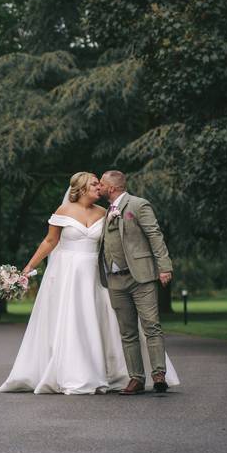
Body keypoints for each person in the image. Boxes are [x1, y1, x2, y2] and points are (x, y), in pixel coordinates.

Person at [0, 171, 178, 394]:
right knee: (74, 321)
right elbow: (49, 241)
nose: (99, 187)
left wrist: (146, 266)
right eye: (94, 184)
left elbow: (122, 241)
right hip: (70, 275)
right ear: (81, 188)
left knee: (110, 322)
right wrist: (28, 268)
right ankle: (75, 372)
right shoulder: (63, 211)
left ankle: (128, 373)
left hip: (97, 275)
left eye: (100, 184)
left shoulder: (107, 212)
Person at [97, 169, 175, 395]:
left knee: (151, 325)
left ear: (111, 188)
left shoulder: (138, 205)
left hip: (141, 276)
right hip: (115, 280)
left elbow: (154, 234)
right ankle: (136, 379)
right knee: (127, 331)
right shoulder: (105, 212)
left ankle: (159, 375)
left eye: (101, 184)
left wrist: (164, 267)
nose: (99, 187)